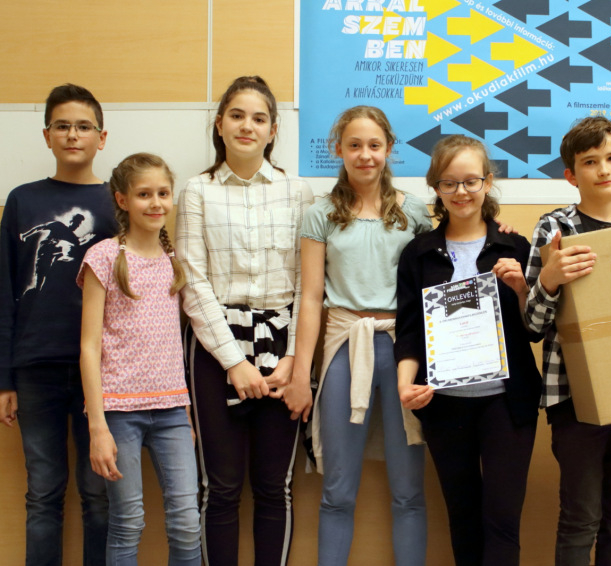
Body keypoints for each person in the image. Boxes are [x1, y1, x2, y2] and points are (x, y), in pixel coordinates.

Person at [176, 76, 313, 566]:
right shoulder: (197, 191)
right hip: (216, 345)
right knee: (221, 487)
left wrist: (294, 360)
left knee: (275, 486)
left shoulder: (298, 191)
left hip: (283, 343)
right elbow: (193, 283)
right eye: (236, 115)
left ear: (273, 130)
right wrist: (234, 362)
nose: (247, 126)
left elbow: (308, 285)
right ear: (219, 124)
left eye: (259, 118)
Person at [394, 134, 542, 566]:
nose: (461, 192)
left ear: (488, 182)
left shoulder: (515, 247)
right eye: (449, 183)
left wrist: (521, 288)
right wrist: (405, 385)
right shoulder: (418, 254)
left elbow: (536, 330)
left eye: (471, 181)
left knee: (502, 521)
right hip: (444, 404)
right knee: (462, 519)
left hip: (507, 403)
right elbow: (409, 331)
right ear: (436, 188)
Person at [292, 105, 430, 566]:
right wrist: (300, 375)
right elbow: (311, 297)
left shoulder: (414, 211)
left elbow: (444, 266)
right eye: (354, 145)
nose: (365, 155)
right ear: (339, 149)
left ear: (389, 149)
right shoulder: (321, 214)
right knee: (337, 489)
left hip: (403, 348)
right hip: (344, 344)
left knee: (408, 489)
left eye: (374, 145)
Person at [523, 116, 611, 566]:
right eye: (590, 162)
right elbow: (533, 326)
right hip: (573, 396)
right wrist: (550, 280)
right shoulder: (555, 229)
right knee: (581, 518)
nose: (603, 169)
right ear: (571, 175)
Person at [0, 83, 113, 566]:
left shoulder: (117, 201)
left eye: (83, 126)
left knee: (99, 494)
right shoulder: (21, 200)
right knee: (43, 494)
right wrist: (4, 378)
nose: (72, 135)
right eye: (62, 126)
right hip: (35, 367)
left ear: (101, 138)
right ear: (46, 135)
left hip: (103, 371)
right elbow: (4, 291)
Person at [79, 153, 201, 566]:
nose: (155, 203)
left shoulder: (174, 261)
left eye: (163, 193)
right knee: (128, 522)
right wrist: (97, 426)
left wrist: (185, 411)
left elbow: (172, 344)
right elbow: (89, 347)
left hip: (172, 411)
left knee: (186, 523)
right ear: (123, 200)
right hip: (118, 413)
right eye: (144, 194)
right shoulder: (103, 257)